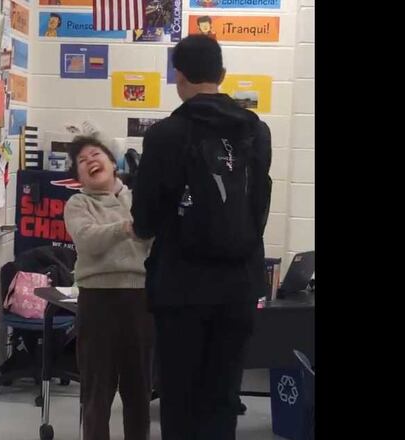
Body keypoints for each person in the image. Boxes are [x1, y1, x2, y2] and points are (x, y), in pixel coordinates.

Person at [131, 35, 273, 440]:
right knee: (224, 397)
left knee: (180, 399)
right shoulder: (257, 132)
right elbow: (258, 208)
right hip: (240, 285)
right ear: (223, 75)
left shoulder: (163, 136)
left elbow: (145, 222)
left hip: (181, 288)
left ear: (178, 77)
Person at [63, 136, 155, 440]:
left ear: (113, 163)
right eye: (82, 161)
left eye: (96, 154)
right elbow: (88, 239)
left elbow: (155, 240)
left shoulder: (140, 199)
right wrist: (128, 227)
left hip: (139, 300)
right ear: (79, 177)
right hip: (97, 302)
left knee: (138, 391)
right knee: (96, 392)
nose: (90, 161)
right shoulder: (78, 204)